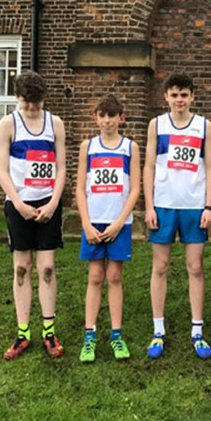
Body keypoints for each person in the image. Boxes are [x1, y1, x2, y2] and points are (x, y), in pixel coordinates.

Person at [143, 74, 211, 359]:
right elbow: (148, 166)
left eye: (184, 94)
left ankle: (197, 330)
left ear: (192, 97)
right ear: (166, 97)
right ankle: (158, 329)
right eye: (174, 95)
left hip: (194, 205)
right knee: (160, 266)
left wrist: (209, 206)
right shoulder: (157, 125)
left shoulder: (204, 126)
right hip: (162, 204)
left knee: (195, 267)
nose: (179, 100)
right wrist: (149, 206)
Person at [0, 70, 66, 360]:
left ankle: (49, 330)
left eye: (36, 103)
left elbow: (61, 168)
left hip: (48, 203)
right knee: (22, 267)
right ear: (17, 98)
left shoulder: (55, 124)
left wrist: (52, 204)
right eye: (27, 103)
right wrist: (19, 204)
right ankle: (23, 331)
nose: (32, 108)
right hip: (19, 204)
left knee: (47, 267)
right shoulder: (8, 124)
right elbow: (1, 169)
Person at [75, 95, 140, 363]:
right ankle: (89, 336)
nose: (107, 121)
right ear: (95, 117)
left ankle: (116, 334)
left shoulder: (129, 147)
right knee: (95, 277)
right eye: (102, 116)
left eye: (112, 116)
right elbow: (79, 187)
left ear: (121, 118)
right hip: (94, 221)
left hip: (118, 222)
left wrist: (119, 222)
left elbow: (135, 188)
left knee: (114, 276)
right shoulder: (87, 147)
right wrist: (86, 222)